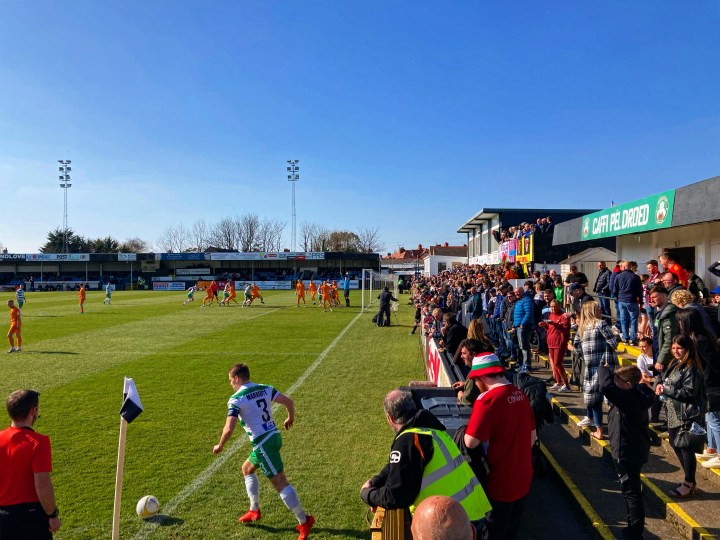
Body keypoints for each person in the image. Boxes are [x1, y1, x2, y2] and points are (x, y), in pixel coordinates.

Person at [360, 390, 491, 527]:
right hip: (468, 513)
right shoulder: (431, 431)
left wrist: (367, 494)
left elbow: (396, 496)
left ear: (390, 418)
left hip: (449, 523)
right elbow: (397, 467)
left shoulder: (408, 441)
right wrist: (375, 481)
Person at [212, 364, 314, 539]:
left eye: (231, 381)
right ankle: (254, 510)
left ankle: (304, 521)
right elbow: (289, 402)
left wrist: (220, 445)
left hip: (263, 443)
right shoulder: (265, 388)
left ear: (237, 378)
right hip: (274, 436)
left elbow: (229, 428)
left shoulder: (236, 399)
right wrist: (290, 417)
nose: (231, 384)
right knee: (247, 469)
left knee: (280, 482)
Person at [464, 354, 536, 540]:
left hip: (501, 481)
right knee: (511, 530)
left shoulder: (486, 400)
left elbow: (470, 442)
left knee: (494, 533)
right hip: (524, 476)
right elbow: (532, 437)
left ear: (482, 377)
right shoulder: (521, 394)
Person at [599, 365, 655, 540]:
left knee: (632, 493)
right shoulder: (634, 394)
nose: (615, 383)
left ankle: (634, 532)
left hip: (628, 451)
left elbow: (606, 386)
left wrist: (604, 368)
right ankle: (634, 528)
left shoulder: (629, 399)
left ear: (629, 384)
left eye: (619, 381)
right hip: (629, 449)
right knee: (631, 491)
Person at [0, 389, 62, 538]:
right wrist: (52, 515)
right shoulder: (38, 442)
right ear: (33, 411)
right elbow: (42, 484)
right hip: (30, 518)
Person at [655, 335, 706, 498]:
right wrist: (659, 385)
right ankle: (689, 481)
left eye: (679, 348)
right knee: (675, 442)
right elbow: (666, 380)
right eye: (674, 348)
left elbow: (689, 392)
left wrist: (666, 390)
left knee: (685, 447)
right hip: (673, 409)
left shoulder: (691, 367)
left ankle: (689, 482)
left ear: (687, 349)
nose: (676, 351)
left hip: (686, 413)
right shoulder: (675, 364)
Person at [675, 308, 720, 470]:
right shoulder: (697, 338)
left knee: (714, 419)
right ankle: (712, 448)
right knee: (709, 418)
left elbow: (713, 363)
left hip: (711, 385)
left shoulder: (699, 339)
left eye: (681, 321)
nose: (679, 324)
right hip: (706, 384)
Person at [573, 301, 619, 440]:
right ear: (593, 310)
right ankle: (615, 428)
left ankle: (598, 429)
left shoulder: (582, 327)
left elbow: (576, 346)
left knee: (595, 399)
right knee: (611, 397)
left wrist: (586, 357)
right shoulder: (601, 324)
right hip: (606, 366)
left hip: (591, 367)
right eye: (598, 308)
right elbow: (614, 343)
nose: (601, 310)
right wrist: (615, 334)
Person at [539, 299, 571, 392]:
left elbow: (565, 329)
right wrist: (544, 325)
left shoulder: (563, 316)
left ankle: (567, 385)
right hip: (551, 342)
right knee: (554, 363)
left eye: (555, 306)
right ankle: (558, 381)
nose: (553, 308)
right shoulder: (551, 315)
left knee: (558, 363)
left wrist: (555, 324)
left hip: (559, 343)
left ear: (559, 306)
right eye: (551, 306)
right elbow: (549, 329)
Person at [613, 261, 643, 345]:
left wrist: (617, 297)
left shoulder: (618, 276)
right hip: (632, 300)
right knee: (633, 320)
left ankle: (625, 338)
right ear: (630, 267)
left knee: (623, 320)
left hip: (621, 300)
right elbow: (640, 291)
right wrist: (641, 301)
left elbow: (614, 289)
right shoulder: (636, 277)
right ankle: (633, 339)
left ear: (623, 267)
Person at [512, 286, 534, 373]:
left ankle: (527, 365)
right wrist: (514, 325)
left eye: (518, 292)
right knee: (521, 347)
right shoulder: (519, 300)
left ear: (522, 292)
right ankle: (523, 364)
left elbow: (528, 313)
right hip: (518, 326)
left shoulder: (527, 300)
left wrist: (522, 323)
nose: (516, 294)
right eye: (515, 293)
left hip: (524, 327)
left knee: (524, 347)